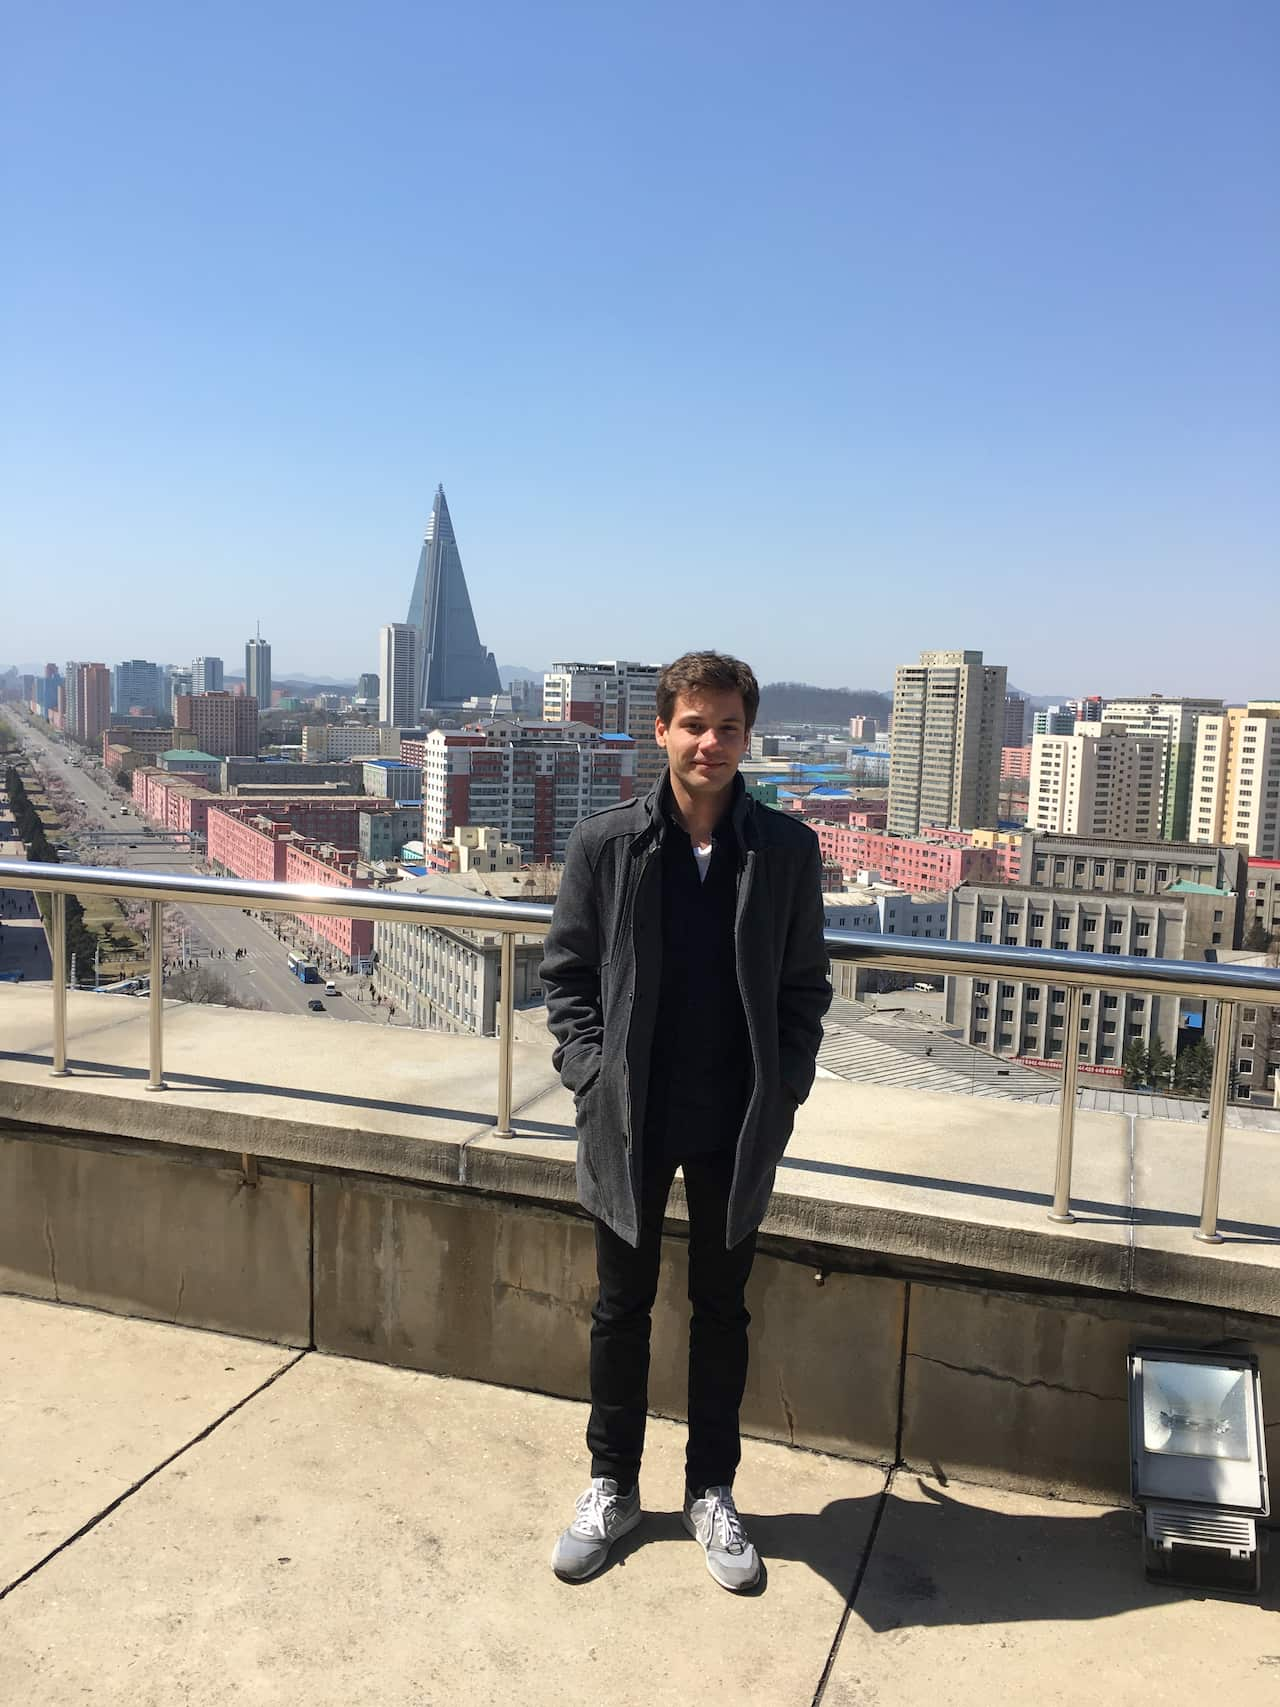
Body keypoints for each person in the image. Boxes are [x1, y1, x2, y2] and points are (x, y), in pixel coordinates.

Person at [540, 651, 830, 1592]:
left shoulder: (785, 851)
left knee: (721, 1310)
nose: (711, 742)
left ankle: (712, 1489)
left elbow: (802, 990)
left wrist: (783, 1091)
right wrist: (590, 1076)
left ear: (749, 736)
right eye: (694, 724)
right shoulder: (606, 844)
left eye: (729, 727)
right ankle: (611, 1482)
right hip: (630, 1117)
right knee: (619, 1307)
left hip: (736, 1122)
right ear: (661, 729)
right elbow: (568, 979)